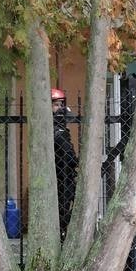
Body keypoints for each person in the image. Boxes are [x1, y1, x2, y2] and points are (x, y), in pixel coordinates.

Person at [52, 88, 78, 238]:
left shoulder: (61, 129)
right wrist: (75, 162)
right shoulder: (57, 131)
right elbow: (68, 155)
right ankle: (61, 234)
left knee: (67, 207)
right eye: (56, 105)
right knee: (62, 209)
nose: (59, 108)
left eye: (61, 104)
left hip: (66, 175)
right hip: (60, 176)